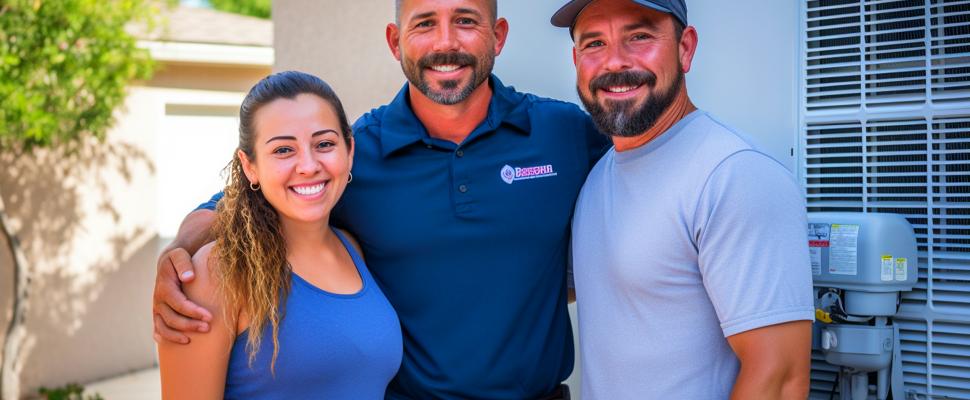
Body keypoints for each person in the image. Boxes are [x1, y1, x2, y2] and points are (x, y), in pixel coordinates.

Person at [153, 1, 609, 398]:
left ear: (499, 34)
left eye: (466, 20)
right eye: (424, 23)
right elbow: (229, 207)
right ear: (395, 41)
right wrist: (178, 259)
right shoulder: (354, 156)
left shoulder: (563, 134)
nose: (445, 42)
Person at [552, 0, 815, 398]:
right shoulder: (598, 176)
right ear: (576, 59)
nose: (615, 62)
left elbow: (779, 380)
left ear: (685, 48)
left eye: (639, 36)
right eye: (594, 44)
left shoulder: (734, 174)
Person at [157, 71, 403, 399]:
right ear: (249, 166)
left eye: (325, 144)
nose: (308, 165)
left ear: (350, 150)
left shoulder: (353, 249)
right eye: (283, 150)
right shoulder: (215, 273)